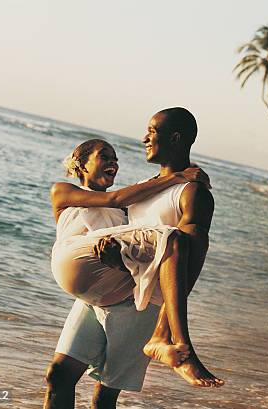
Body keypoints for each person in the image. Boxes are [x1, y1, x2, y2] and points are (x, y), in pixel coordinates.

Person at [44, 109, 222, 409]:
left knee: (105, 395)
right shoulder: (141, 187)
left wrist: (164, 322)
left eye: (152, 131)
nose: (144, 138)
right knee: (59, 375)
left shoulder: (193, 193)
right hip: (99, 294)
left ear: (175, 137)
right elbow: (124, 229)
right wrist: (115, 258)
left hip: (140, 305)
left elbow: (190, 257)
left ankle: (169, 340)